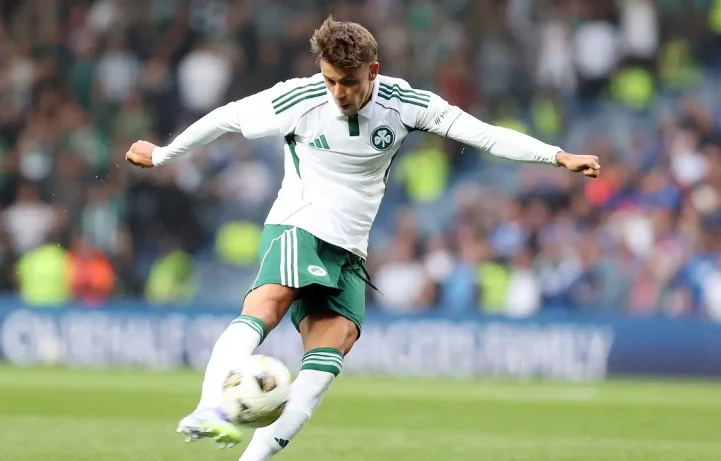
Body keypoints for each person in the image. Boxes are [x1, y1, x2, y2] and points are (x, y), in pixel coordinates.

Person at [125, 16, 601, 461]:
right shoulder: (299, 99)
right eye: (330, 80)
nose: (337, 92)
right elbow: (228, 117)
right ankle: (209, 407)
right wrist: (164, 154)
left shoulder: (405, 104)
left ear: (372, 71)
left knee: (327, 359)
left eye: (348, 82)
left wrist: (557, 155)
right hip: (299, 224)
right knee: (266, 306)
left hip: (350, 249)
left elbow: (485, 135)